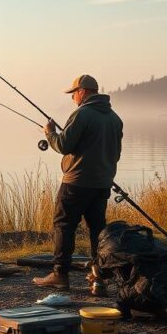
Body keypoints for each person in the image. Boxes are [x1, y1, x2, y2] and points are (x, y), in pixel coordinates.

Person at [33, 75, 123, 292]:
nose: (72, 97)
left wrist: (50, 133)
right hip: (102, 183)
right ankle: (99, 276)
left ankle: (60, 275)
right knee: (97, 230)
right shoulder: (114, 118)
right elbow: (115, 153)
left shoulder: (82, 114)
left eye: (73, 93)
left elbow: (63, 145)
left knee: (64, 226)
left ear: (83, 91)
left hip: (76, 182)